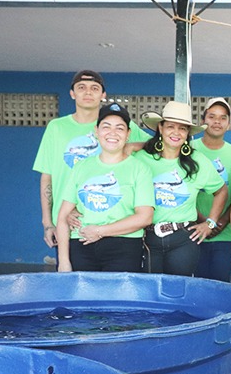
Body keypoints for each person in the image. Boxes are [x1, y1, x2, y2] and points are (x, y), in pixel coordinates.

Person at [33, 69, 149, 250]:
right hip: (69, 224)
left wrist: (132, 146)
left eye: (95, 88)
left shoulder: (117, 124)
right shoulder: (56, 127)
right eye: (81, 87)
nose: (88, 92)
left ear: (103, 95)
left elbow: (156, 145)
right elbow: (47, 177)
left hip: (112, 223)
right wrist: (48, 222)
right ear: (72, 93)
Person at [55, 103, 154, 273]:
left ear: (128, 134)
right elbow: (63, 216)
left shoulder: (139, 168)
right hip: (81, 245)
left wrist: (100, 231)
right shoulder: (81, 167)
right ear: (96, 131)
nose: (112, 133)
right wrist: (63, 261)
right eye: (106, 127)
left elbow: (145, 217)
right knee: (84, 298)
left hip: (124, 246)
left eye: (120, 128)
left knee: (118, 299)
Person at [136, 100, 227, 276]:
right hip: (147, 238)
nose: (176, 133)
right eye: (170, 126)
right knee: (150, 293)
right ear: (160, 128)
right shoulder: (141, 158)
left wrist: (210, 223)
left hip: (184, 238)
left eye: (182, 128)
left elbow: (221, 191)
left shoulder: (198, 161)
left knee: (178, 292)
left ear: (187, 134)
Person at [192, 98, 231, 282]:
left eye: (223, 118)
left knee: (219, 287)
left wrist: (219, 222)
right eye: (212, 116)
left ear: (228, 124)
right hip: (193, 230)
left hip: (225, 235)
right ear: (203, 120)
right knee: (194, 287)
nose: (217, 121)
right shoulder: (189, 149)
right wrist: (203, 220)